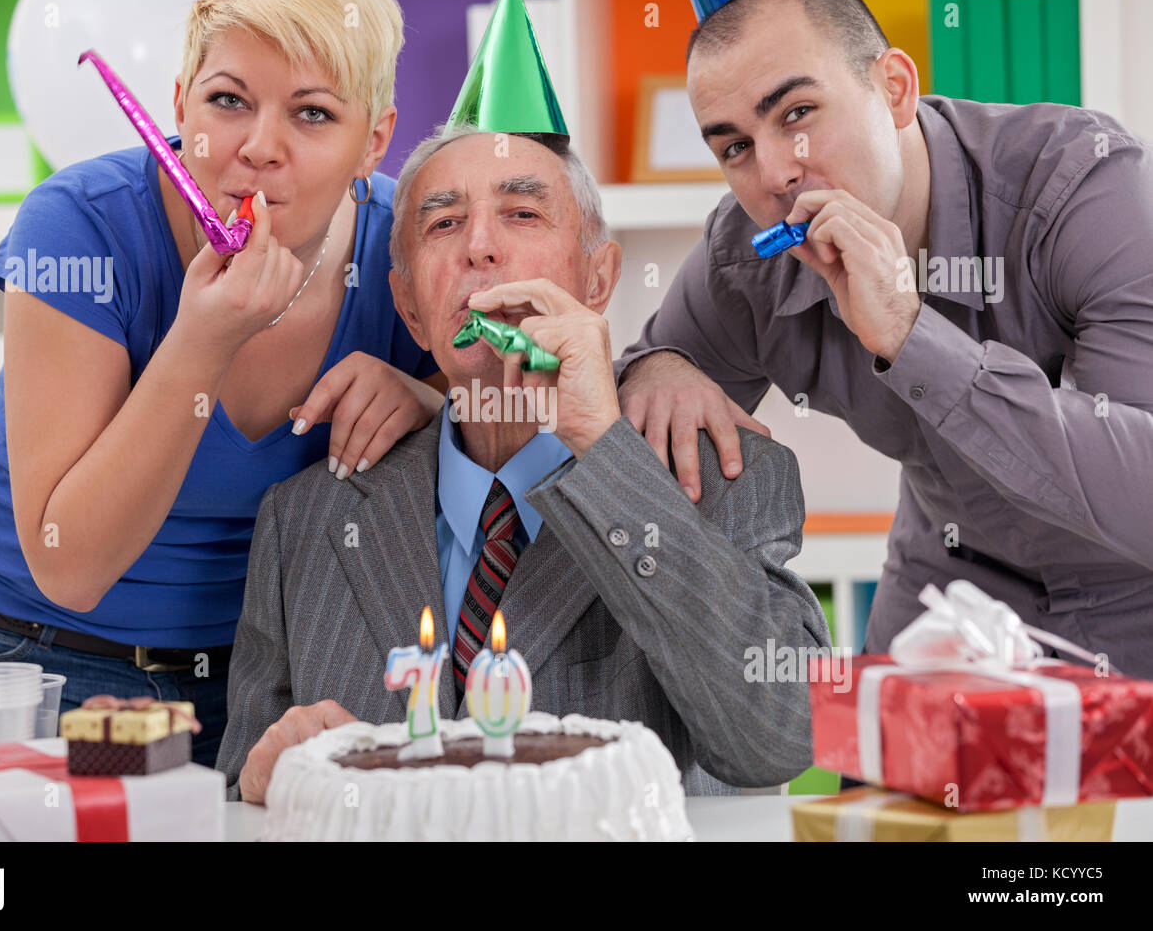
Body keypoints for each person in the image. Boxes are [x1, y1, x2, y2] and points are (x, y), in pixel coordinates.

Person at [0, 0, 447, 764]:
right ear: (179, 105)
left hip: (259, 676)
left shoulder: (406, 240)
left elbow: (513, 398)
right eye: (228, 101)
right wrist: (201, 344)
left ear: (374, 139)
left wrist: (427, 398)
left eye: (313, 113)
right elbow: (72, 566)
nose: (259, 146)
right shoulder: (78, 225)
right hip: (24, 659)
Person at [215, 127, 830, 802]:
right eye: (445, 223)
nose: (480, 246)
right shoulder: (304, 519)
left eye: (523, 214)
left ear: (598, 281)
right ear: (411, 310)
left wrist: (601, 441)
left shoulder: (719, 477)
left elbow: (781, 736)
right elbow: (246, 784)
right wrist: (258, 778)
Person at [616, 0, 1153, 677]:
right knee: (869, 790)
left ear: (895, 89)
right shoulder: (745, 261)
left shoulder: (1086, 186)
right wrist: (657, 368)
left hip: (1135, 610)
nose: (776, 172)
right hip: (945, 603)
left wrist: (910, 333)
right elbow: (642, 382)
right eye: (734, 148)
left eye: (798, 112)